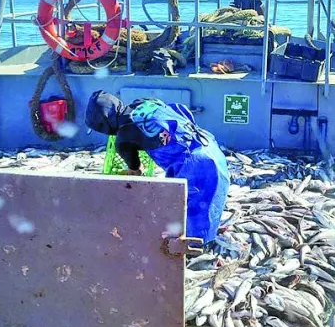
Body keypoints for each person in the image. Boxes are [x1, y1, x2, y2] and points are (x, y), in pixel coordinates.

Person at [84, 90, 231, 244]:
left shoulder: (123, 138)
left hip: (195, 166)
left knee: (190, 214)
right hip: (210, 147)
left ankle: (196, 251)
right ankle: (210, 234)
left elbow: (135, 171)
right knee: (209, 203)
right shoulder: (144, 103)